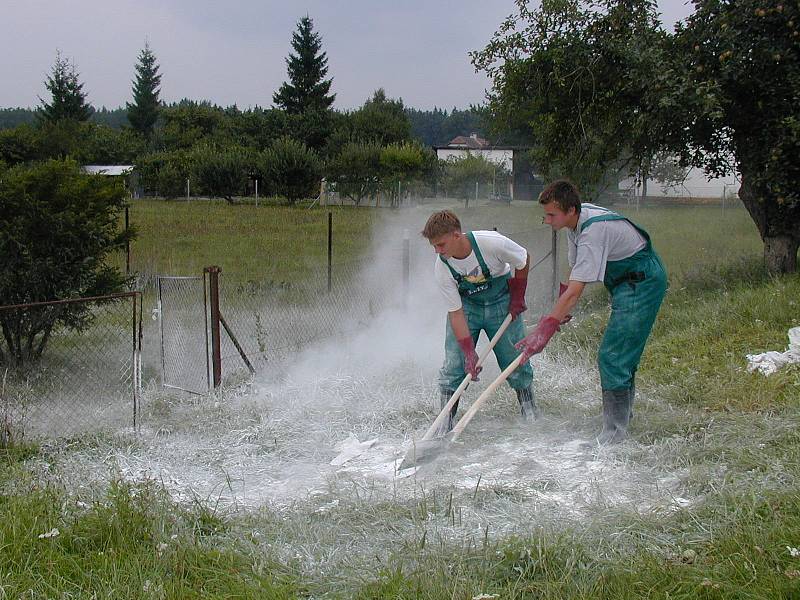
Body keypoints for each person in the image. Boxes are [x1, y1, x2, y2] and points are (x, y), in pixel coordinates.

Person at [515, 179, 667, 444]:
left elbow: (576, 291)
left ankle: (614, 434)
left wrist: (545, 329)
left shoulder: (593, 231)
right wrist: (558, 313)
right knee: (621, 352)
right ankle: (622, 419)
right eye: (546, 215)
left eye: (552, 215)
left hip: (641, 281)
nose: (548, 220)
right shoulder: (576, 224)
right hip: (624, 282)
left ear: (571, 210)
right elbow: (573, 274)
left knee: (613, 354)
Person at [422, 210, 535, 433]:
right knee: (454, 365)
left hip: (502, 304)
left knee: (514, 357)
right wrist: (468, 352)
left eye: (441, 245)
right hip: (468, 309)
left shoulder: (491, 243)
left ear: (456, 235)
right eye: (434, 246)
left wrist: (518, 298)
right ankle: (445, 423)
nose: (437, 251)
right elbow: (456, 313)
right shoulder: (442, 268)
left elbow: (523, 259)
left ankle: (529, 410)